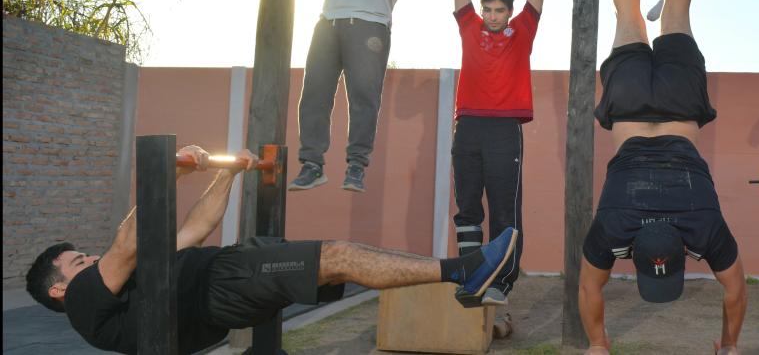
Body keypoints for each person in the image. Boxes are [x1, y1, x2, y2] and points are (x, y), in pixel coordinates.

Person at [25, 145, 517, 355]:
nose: (91, 260)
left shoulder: (132, 286)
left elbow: (196, 229)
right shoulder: (84, 301)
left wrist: (227, 172)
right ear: (59, 288)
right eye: (78, 262)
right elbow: (128, 242)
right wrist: (170, 168)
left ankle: (463, 274)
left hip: (229, 274)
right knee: (338, 254)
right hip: (226, 286)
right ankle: (466, 271)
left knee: (336, 262)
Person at [580, 0, 746, 355]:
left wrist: (730, 346)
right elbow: (588, 287)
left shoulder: (705, 226)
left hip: (680, 106)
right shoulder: (612, 227)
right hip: (630, 107)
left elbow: (736, 289)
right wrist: (597, 344)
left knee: (676, 11)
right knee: (628, 18)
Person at [443, 0, 560, 312]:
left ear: (510, 12)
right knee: (467, 206)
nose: (493, 16)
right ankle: (471, 273)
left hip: (504, 128)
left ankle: (502, 281)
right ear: (481, 10)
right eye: (488, 10)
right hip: (468, 125)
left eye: (499, 10)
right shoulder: (469, 26)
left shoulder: (523, 30)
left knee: (504, 208)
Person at [289, 0, 423, 193]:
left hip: (369, 28)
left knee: (363, 96)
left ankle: (356, 165)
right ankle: (312, 164)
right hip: (328, 25)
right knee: (314, 94)